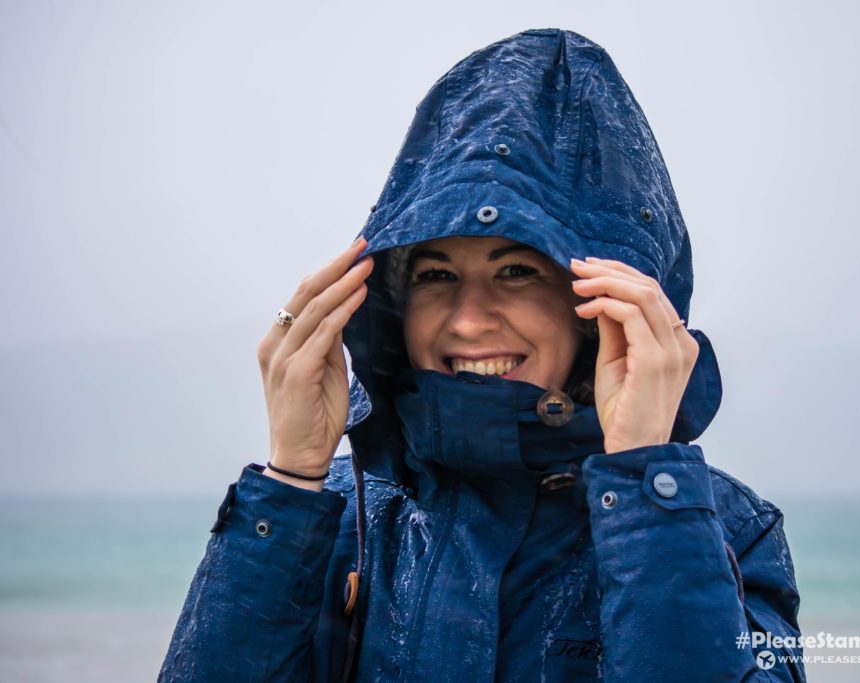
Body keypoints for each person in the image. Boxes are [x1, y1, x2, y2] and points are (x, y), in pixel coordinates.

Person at [160, 28, 804, 682]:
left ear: (604, 304)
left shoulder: (718, 528)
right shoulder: (328, 516)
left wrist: (644, 479)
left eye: (518, 271)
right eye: (436, 276)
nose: (468, 320)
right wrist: (290, 479)